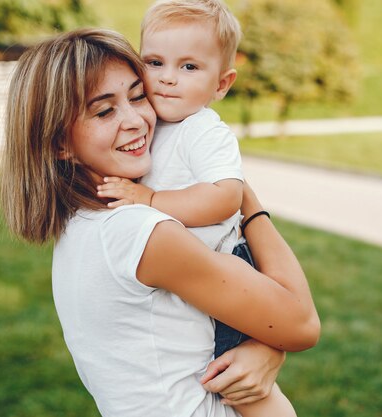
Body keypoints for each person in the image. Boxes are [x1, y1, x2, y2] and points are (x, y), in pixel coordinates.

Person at [0, 28, 320, 417]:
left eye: (137, 96)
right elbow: (301, 323)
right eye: (104, 111)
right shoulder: (138, 233)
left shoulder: (84, 225)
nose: (135, 120)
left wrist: (263, 347)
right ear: (58, 144)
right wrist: (245, 198)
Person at [92, 1, 299, 415]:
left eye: (189, 67)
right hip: (193, 271)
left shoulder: (204, 130)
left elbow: (226, 195)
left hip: (225, 262)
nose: (168, 78)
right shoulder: (151, 121)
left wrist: (150, 201)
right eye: (154, 62)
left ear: (222, 84)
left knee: (239, 379)